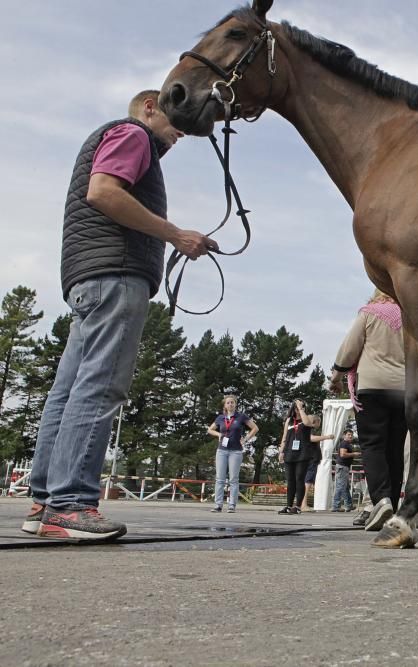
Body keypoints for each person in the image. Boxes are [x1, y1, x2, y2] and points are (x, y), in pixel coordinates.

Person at [22, 90, 217, 540]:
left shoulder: (116, 138)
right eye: (175, 121)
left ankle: (43, 501)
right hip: (116, 274)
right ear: (150, 106)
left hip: (90, 276)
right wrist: (175, 235)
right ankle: (70, 503)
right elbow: (104, 192)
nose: (179, 133)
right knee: (100, 384)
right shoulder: (133, 134)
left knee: (67, 390)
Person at [330, 289, 407, 532]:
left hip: (372, 388)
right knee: (395, 449)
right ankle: (392, 506)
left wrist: (337, 375)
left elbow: (349, 349)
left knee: (373, 446)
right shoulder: (411, 315)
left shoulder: (369, 314)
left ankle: (381, 500)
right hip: (405, 389)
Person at [277, 401, 335, 514]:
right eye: (296, 407)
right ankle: (289, 505)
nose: (298, 409)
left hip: (302, 453)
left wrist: (301, 408)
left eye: (301, 407)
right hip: (289, 452)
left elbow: (308, 423)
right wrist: (281, 451)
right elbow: (284, 437)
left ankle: (298, 506)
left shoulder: (306, 419)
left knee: (299, 479)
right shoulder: (289, 421)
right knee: (290, 480)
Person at [206, 395, 258, 513]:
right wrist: (218, 434)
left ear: (235, 404)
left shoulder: (241, 417)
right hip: (222, 450)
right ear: (225, 405)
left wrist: (245, 439)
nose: (230, 404)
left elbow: (255, 428)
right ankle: (218, 504)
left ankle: (232, 505)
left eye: (232, 402)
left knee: (233, 479)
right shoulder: (220, 418)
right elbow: (210, 429)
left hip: (236, 450)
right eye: (228, 403)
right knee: (220, 478)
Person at [333, 429, 361, 512]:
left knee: (345, 487)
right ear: (344, 435)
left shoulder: (347, 444)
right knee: (340, 487)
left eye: (351, 434)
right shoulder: (344, 443)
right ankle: (336, 506)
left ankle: (349, 505)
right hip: (342, 467)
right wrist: (354, 454)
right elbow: (343, 454)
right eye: (348, 434)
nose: (350, 436)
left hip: (344, 467)